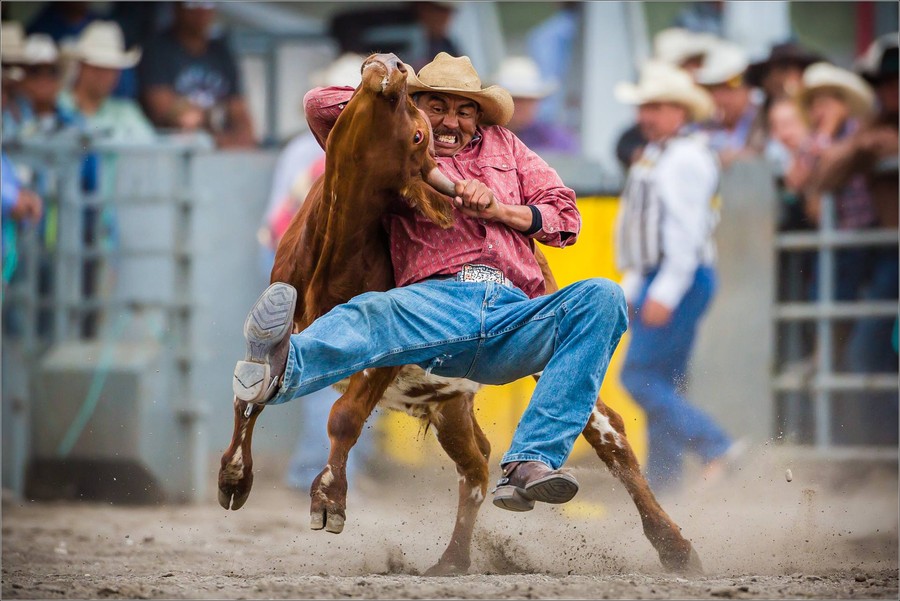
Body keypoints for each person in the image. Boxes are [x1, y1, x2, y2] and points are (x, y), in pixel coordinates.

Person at [232, 52, 628, 511]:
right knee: (374, 310)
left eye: (464, 110)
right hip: (436, 303)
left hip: (513, 310)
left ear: (479, 116)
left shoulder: (508, 147)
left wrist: (500, 209)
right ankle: (278, 367)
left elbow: (566, 218)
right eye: (437, 107)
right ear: (416, 107)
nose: (451, 121)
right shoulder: (400, 142)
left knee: (604, 296)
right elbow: (319, 106)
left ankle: (530, 461)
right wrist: (388, 81)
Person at [613, 60, 738, 494]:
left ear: (679, 111)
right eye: (644, 106)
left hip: (677, 276)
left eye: (656, 107)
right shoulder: (663, 153)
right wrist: (639, 284)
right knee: (662, 381)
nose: (646, 115)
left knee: (639, 377)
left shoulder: (684, 157)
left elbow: (687, 232)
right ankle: (665, 485)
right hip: (667, 275)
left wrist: (664, 289)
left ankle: (715, 445)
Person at [257, 52, 372, 493]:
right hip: (310, 269)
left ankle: (331, 468)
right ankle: (320, 470)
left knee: (340, 368)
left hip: (302, 263)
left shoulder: (306, 150)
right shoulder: (329, 155)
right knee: (333, 368)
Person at [806, 33, 898, 445]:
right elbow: (824, 177)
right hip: (886, 253)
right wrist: (864, 146)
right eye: (885, 83)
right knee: (865, 350)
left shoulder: (875, 128)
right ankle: (877, 449)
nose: (891, 90)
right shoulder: (874, 128)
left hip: (885, 251)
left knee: (866, 349)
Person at [138, 1, 255, 148]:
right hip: (173, 151)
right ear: (177, 8)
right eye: (193, 5)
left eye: (207, 4)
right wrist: (202, 119)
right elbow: (165, 110)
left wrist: (228, 140)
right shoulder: (158, 49)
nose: (201, 11)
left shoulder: (220, 52)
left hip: (220, 149)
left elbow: (241, 116)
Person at [615, 28, 715, 171]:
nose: (695, 70)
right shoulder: (652, 142)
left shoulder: (689, 152)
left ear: (680, 111)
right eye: (687, 64)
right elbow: (626, 144)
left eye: (654, 108)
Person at [57, 21, 155, 142]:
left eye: (112, 69)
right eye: (98, 67)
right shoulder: (55, 104)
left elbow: (151, 147)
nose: (105, 75)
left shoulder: (126, 112)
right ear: (81, 67)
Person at [695, 39, 766, 167]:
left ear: (748, 87)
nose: (720, 98)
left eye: (728, 89)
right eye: (713, 89)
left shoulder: (768, 119)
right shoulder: (702, 125)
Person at [491, 56, 579, 155]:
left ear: (537, 102)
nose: (519, 106)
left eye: (526, 100)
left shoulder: (558, 140)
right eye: (513, 99)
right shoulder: (482, 137)